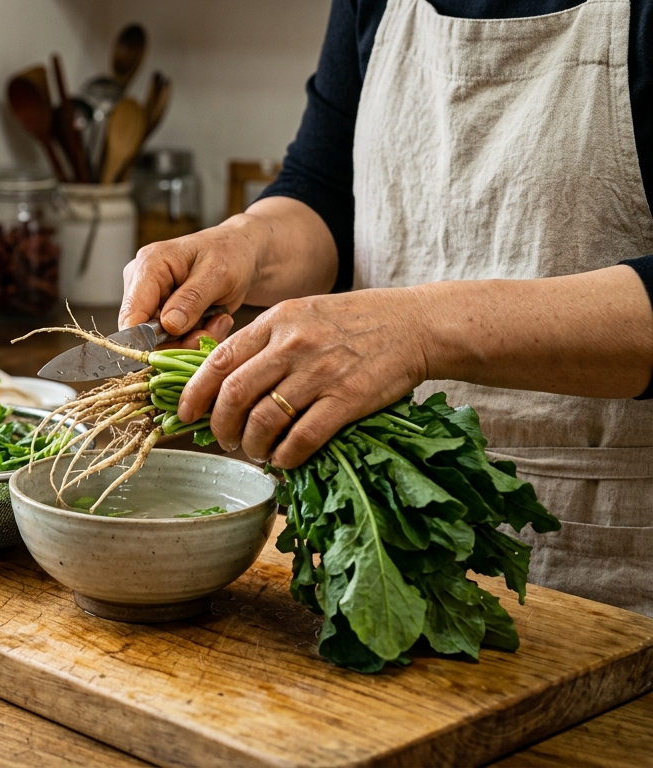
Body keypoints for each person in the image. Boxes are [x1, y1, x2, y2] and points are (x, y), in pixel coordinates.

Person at [119, 0, 653, 616]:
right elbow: (322, 193)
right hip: (392, 528)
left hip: (611, 560)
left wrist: (418, 331)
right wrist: (245, 244)